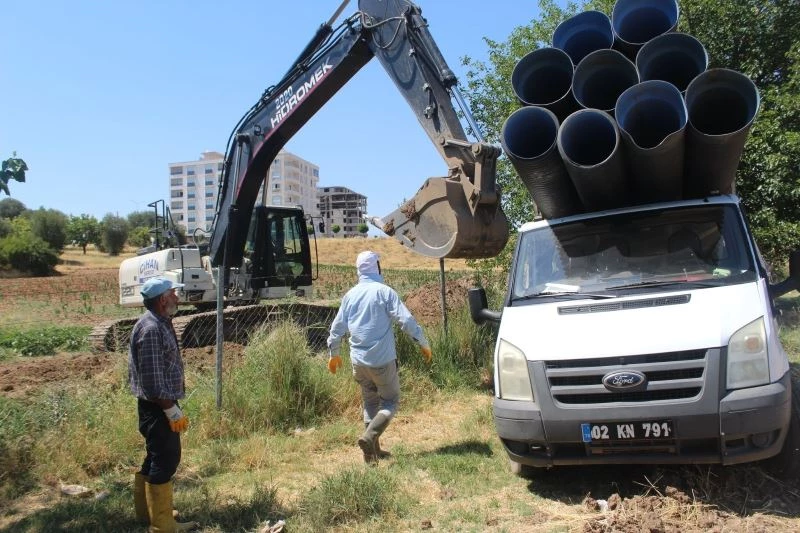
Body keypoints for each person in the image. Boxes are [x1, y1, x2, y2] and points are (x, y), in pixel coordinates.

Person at [327, 250, 432, 464]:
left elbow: (337, 327)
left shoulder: (350, 295)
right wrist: (423, 343)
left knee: (369, 401)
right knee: (390, 401)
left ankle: (372, 454)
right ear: (377, 267)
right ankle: (369, 437)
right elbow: (406, 320)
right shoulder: (385, 292)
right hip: (382, 361)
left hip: (358, 363)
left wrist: (334, 353)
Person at [129, 277, 198, 532]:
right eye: (173, 294)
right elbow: (153, 380)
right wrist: (170, 409)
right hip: (157, 406)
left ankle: (149, 513)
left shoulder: (160, 322)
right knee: (167, 458)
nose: (177, 298)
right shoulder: (151, 330)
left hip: (158, 404)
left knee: (156, 456)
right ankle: (162, 525)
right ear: (162, 300)